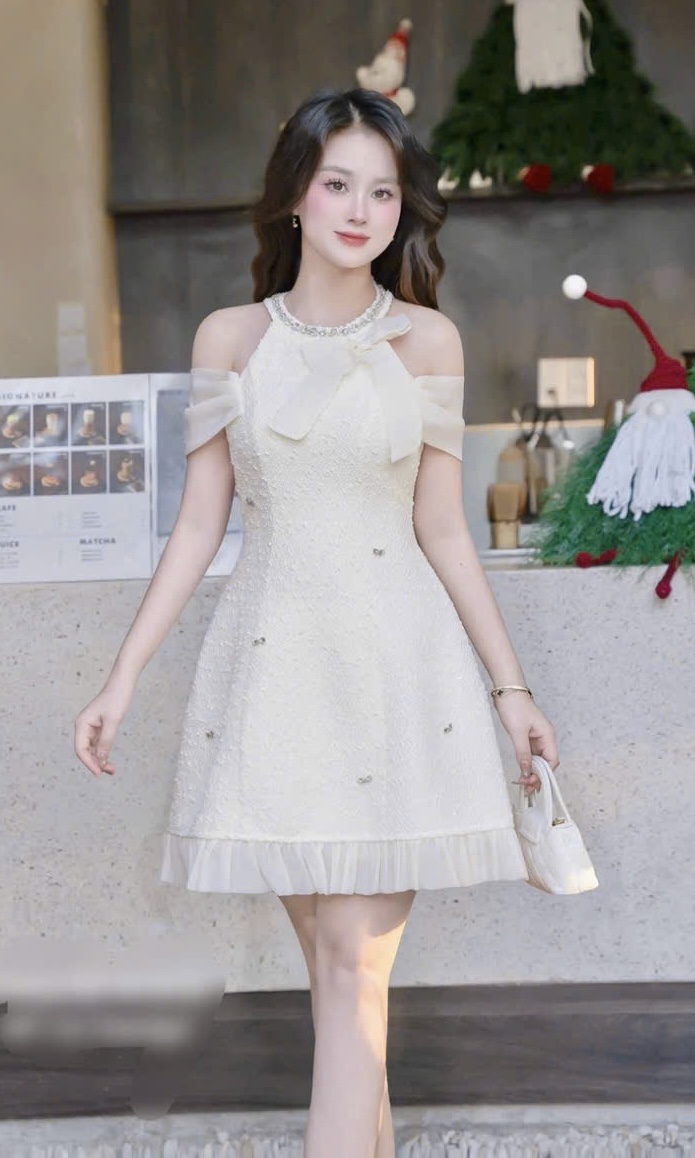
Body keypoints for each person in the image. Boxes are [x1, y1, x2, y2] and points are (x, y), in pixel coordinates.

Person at [74, 88, 558, 1158]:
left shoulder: (427, 342)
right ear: (295, 193)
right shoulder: (229, 338)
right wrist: (122, 677)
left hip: (397, 675)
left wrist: (510, 691)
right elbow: (199, 525)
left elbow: (443, 530)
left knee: (351, 977)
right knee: (342, 987)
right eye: (338, 183)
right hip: (274, 677)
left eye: (381, 192)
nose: (359, 210)